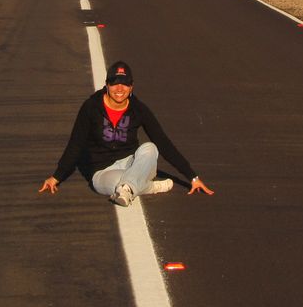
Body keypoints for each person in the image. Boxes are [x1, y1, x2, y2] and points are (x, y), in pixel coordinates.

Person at [38, 60, 214, 206]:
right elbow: (75, 144)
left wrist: (192, 177)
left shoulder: (139, 109)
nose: (119, 89)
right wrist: (56, 177)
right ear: (107, 85)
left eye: (125, 84)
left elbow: (163, 143)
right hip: (102, 172)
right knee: (118, 184)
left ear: (131, 87)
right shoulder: (91, 107)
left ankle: (132, 185)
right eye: (114, 83)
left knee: (150, 148)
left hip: (132, 163)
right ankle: (149, 187)